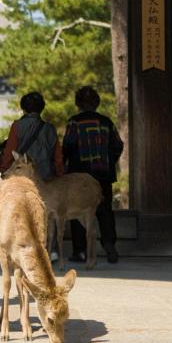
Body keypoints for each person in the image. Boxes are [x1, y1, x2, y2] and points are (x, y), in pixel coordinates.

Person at [63, 85, 124, 264]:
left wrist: (62, 166)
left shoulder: (74, 122)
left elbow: (67, 145)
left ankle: (80, 251)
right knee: (105, 211)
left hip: (80, 178)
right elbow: (118, 145)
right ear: (96, 103)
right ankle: (109, 244)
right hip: (103, 175)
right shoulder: (106, 122)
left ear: (78, 103)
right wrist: (108, 161)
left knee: (77, 211)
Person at [0, 91, 63, 180]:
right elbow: (58, 158)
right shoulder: (50, 128)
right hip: (46, 178)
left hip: (24, 178)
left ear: (24, 109)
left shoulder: (17, 126)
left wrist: (4, 170)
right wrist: (59, 174)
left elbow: (9, 153)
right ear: (42, 108)